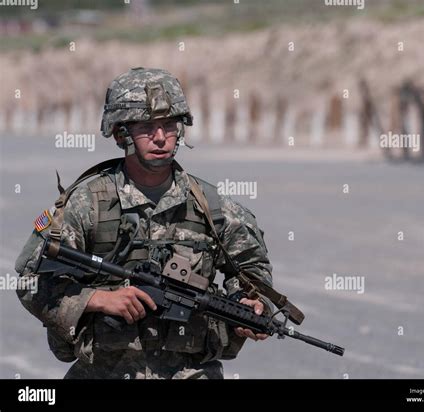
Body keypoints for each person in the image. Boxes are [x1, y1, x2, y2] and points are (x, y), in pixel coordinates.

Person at [15, 67, 273, 379]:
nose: (161, 137)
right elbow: (30, 280)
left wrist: (248, 302)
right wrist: (98, 300)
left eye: (169, 125)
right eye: (147, 128)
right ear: (121, 133)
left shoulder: (213, 207)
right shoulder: (87, 204)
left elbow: (250, 271)